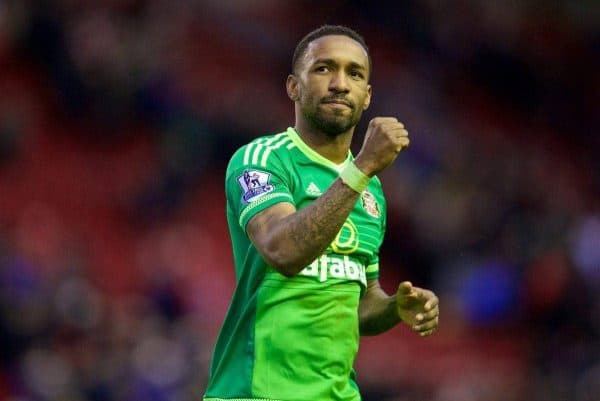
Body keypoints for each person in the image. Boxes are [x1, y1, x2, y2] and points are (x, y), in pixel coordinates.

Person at [204, 25, 439, 401]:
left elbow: (360, 305)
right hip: (256, 392)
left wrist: (395, 307)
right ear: (293, 87)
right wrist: (360, 169)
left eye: (354, 73)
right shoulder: (263, 160)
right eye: (324, 68)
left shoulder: (370, 190)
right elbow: (283, 251)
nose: (341, 84)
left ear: (367, 97)